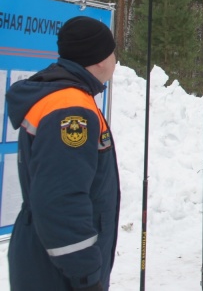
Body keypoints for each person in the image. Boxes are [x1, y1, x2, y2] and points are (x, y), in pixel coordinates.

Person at [7, 16, 119, 291]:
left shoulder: (63, 96)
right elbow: (60, 201)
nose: (116, 59)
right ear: (100, 59)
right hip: (58, 271)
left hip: (47, 256)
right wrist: (86, 275)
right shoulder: (71, 110)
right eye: (113, 51)